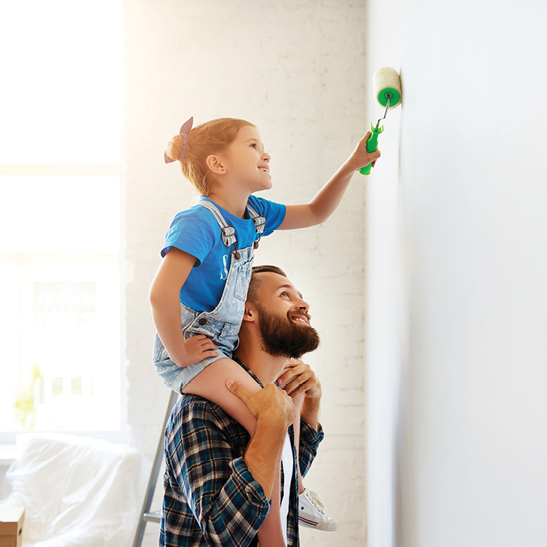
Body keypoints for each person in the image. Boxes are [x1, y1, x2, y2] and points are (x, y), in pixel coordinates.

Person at [150, 116, 380, 543]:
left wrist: (351, 164)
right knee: (266, 418)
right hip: (196, 354)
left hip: (217, 349)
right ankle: (295, 503)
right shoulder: (198, 221)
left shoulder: (252, 214)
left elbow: (314, 212)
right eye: (253, 145)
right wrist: (181, 353)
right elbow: (160, 294)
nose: (266, 153)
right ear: (217, 164)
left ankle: (296, 494)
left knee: (281, 409)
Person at [160, 265, 327, 547]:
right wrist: (270, 425)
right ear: (247, 312)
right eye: (285, 295)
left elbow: (286, 478)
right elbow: (223, 536)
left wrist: (310, 405)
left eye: (300, 296)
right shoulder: (199, 411)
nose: (303, 304)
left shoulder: (275, 398)